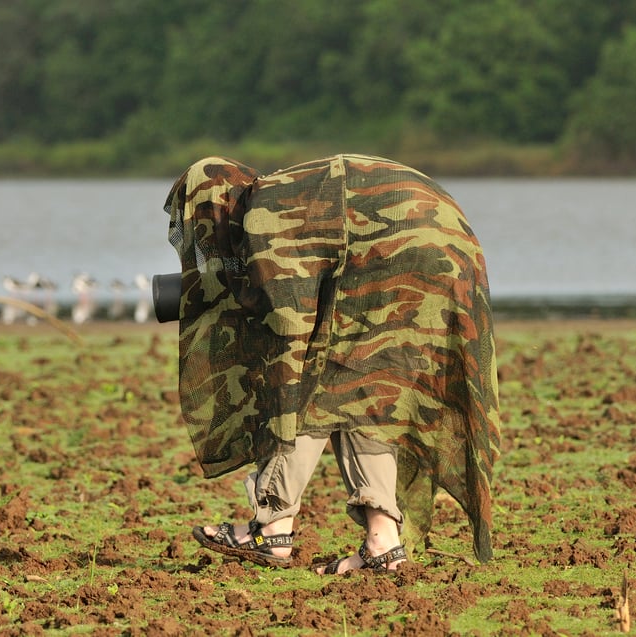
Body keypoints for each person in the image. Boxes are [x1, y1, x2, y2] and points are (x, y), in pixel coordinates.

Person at [164, 154, 500, 574]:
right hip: (443, 236)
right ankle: (383, 542)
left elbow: (291, 336)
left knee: (306, 382)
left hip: (398, 236)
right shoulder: (277, 194)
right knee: (360, 387)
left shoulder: (263, 213)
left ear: (212, 207)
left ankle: (272, 527)